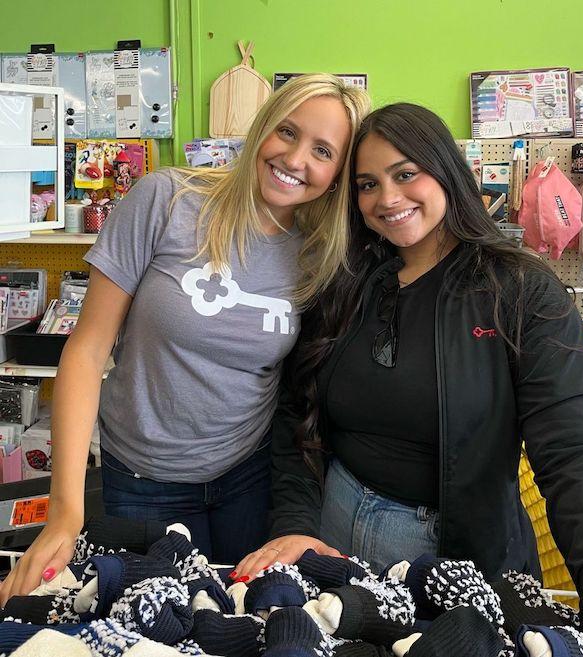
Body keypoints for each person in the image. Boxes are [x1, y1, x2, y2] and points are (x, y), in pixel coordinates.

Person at [235, 104, 583, 656]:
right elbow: (296, 416)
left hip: (460, 561)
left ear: (446, 170)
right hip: (333, 543)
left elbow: (576, 456)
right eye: (367, 184)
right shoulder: (346, 280)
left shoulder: (521, 291)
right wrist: (294, 525)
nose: (387, 198)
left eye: (406, 173)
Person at [0, 74, 370, 605]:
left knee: (237, 620)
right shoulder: (167, 199)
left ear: (338, 173)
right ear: (263, 127)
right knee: (153, 622)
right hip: (142, 478)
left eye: (323, 150)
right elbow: (86, 349)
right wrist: (66, 511)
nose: (295, 158)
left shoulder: (320, 253)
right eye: (287, 132)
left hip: (249, 476)